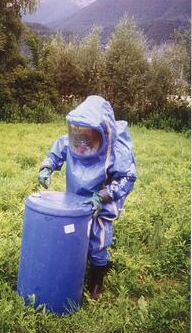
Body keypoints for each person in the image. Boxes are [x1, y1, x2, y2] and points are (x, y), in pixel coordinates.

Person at [38, 95, 136, 299]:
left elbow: (127, 177)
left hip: (101, 204)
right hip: (75, 202)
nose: (82, 141)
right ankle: (75, 269)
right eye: (79, 133)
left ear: (104, 131)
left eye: (88, 135)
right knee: (73, 236)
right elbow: (57, 151)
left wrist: (104, 195)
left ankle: (97, 277)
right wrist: (47, 166)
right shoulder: (73, 140)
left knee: (97, 241)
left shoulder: (115, 149)